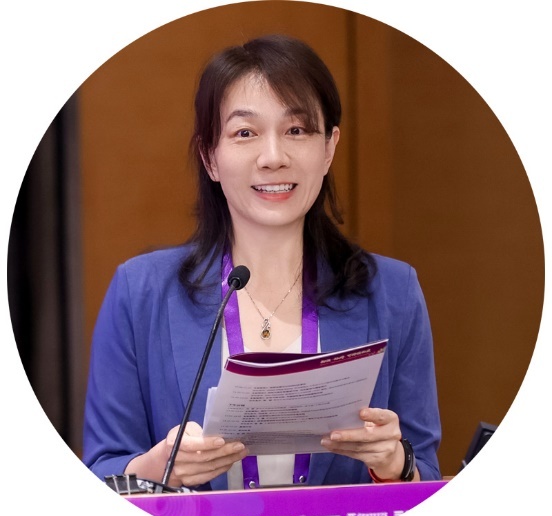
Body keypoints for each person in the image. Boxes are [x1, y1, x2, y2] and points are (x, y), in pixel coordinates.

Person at [83, 34, 441, 491]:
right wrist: (157, 468)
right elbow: (100, 473)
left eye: (297, 130)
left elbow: (425, 475)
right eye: (245, 133)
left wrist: (396, 462)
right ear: (210, 157)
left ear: (329, 148)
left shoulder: (392, 291)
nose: (273, 157)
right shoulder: (140, 293)